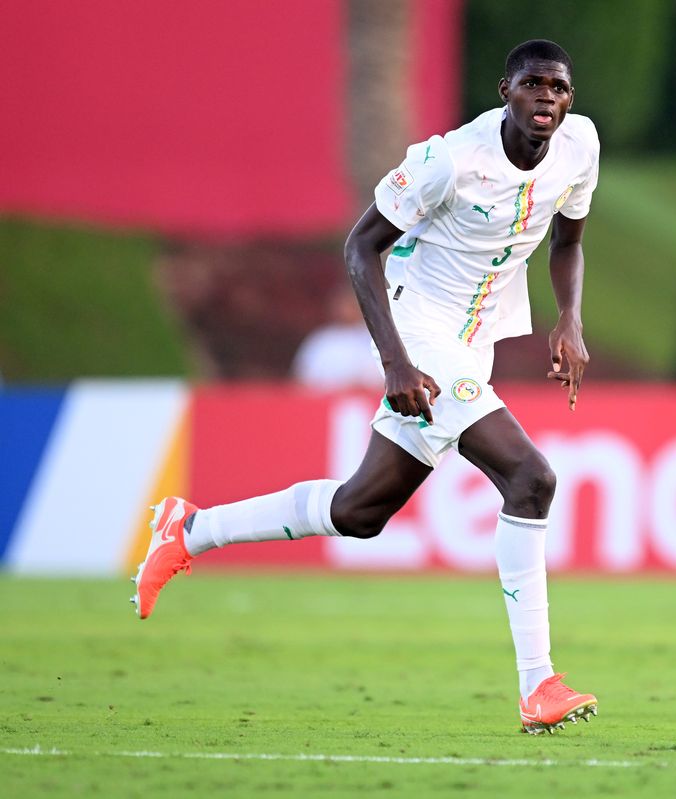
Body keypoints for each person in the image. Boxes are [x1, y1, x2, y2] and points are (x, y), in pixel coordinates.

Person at [132, 40, 599, 735]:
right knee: (530, 478)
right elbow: (360, 246)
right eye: (532, 85)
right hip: (418, 327)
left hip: (474, 341)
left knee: (361, 510)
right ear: (505, 90)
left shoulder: (580, 145)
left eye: (558, 88)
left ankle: (191, 529)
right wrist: (395, 362)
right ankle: (539, 684)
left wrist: (568, 319)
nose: (547, 100)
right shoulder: (449, 160)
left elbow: (567, 240)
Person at [292, 288, 383, 390]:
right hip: (325, 398)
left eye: (351, 306)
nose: (346, 311)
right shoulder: (321, 340)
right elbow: (302, 377)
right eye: (342, 306)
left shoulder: (377, 337)